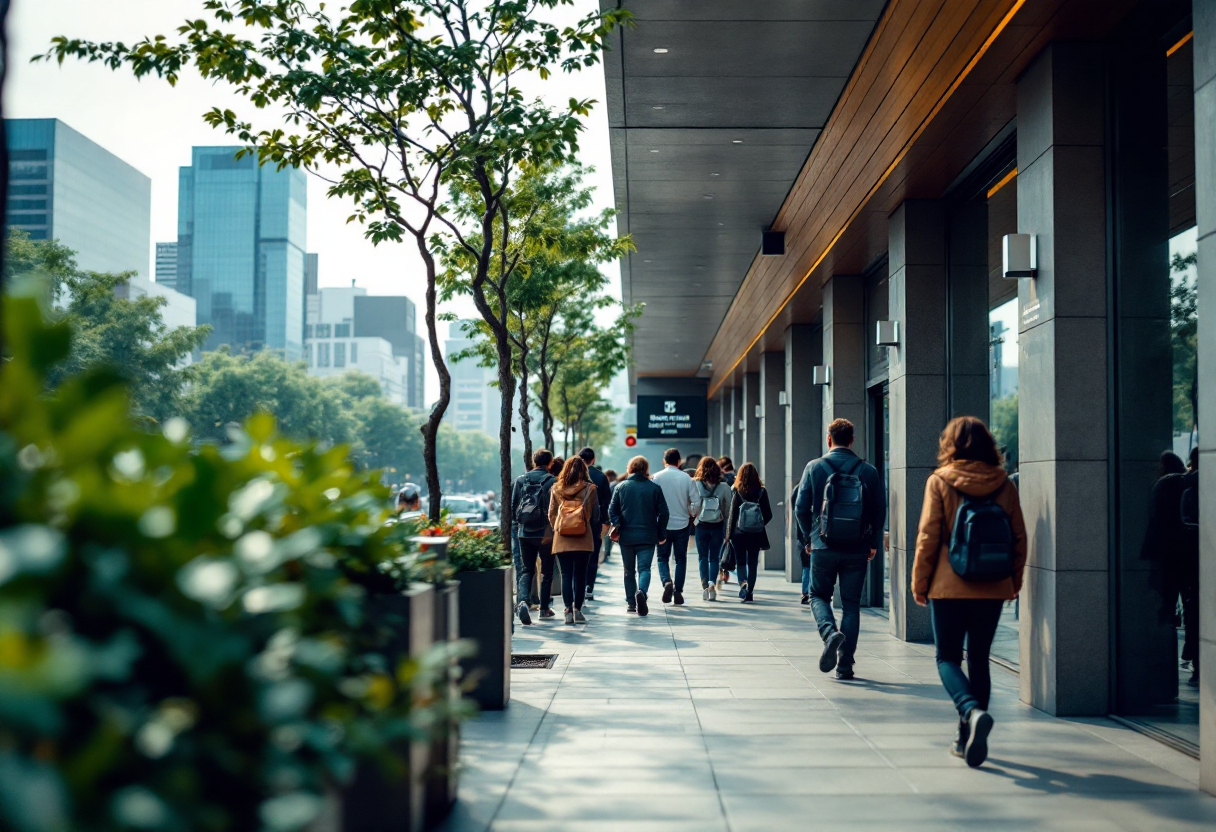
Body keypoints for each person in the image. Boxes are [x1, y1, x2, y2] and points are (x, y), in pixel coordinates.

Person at [912, 416, 1027, 768]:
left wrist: (919, 583)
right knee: (979, 659)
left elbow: (928, 537)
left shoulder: (939, 481)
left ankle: (970, 711)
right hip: (992, 586)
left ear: (950, 444)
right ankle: (966, 737)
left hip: (948, 587)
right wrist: (1013, 583)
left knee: (947, 657)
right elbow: (1019, 538)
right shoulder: (1004, 484)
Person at [794, 418, 885, 680]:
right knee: (851, 605)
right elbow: (879, 512)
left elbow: (801, 507)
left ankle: (829, 633)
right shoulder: (868, 471)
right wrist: (872, 544)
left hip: (823, 545)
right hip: (857, 547)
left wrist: (808, 538)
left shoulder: (814, 467)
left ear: (829, 439)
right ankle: (845, 664)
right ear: (852, 439)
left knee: (818, 596)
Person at [608, 455, 669, 616]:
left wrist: (618, 523)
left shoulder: (621, 487)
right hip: (648, 536)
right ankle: (641, 592)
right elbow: (664, 512)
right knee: (645, 569)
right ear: (645, 469)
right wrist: (661, 532)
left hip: (626, 536)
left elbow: (611, 510)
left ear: (630, 468)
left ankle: (630, 603)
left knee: (629, 571)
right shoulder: (654, 488)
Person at [548, 456, 600, 625]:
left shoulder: (556, 488)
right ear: (584, 470)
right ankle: (577, 610)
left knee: (566, 575)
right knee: (580, 575)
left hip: (562, 538)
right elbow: (596, 515)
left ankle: (567, 610)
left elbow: (551, 514)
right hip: (583, 538)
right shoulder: (590, 489)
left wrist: (561, 527)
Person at [511, 449, 558, 625]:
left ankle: (523, 600)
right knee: (547, 572)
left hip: (524, 532)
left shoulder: (521, 480)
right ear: (550, 463)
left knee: (526, 569)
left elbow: (514, 506)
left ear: (534, 461)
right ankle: (544, 608)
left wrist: (522, 524)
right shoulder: (552, 481)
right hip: (546, 533)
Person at [654, 448, 702, 605]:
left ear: (664, 461)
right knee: (681, 559)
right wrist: (691, 513)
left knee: (662, 557)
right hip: (682, 525)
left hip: (662, 525)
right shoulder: (687, 479)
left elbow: (652, 502)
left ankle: (667, 581)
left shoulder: (656, 477)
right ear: (679, 461)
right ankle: (678, 591)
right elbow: (697, 501)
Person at [725, 462, 773, 603]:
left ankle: (743, 583)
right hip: (756, 534)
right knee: (752, 563)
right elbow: (768, 514)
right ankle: (750, 591)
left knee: (741, 562)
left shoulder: (736, 490)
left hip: (739, 533)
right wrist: (758, 523)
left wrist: (728, 535)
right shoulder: (761, 492)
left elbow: (732, 514)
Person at [692, 456, 732, 602]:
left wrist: (694, 516)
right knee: (714, 558)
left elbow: (692, 506)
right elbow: (728, 511)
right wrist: (728, 531)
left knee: (702, 557)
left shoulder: (695, 485)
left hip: (701, 525)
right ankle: (711, 584)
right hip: (717, 525)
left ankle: (704, 587)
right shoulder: (724, 487)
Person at [578, 447, 612, 603]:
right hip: (595, 523)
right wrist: (607, 522)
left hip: (574, 522)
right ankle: (589, 587)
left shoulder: (571, 475)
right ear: (593, 460)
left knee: (576, 556)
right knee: (592, 556)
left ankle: (576, 587)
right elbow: (607, 502)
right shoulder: (600, 477)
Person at [1179, 448, 1200, 687]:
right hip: (1197, 557)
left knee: (1192, 609)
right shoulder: (1190, 488)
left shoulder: (1186, 488)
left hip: (1190, 558)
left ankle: (1195, 660)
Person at [793, 484, 811, 604]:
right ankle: (811, 591)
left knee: (806, 565)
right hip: (818, 534)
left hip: (803, 534)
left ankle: (805, 592)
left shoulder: (798, 490)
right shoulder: (819, 487)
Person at [602, 469, 619, 563]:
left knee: (608, 534)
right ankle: (607, 552)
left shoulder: (613, 485)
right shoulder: (614, 485)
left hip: (610, 512)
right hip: (612, 512)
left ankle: (606, 552)